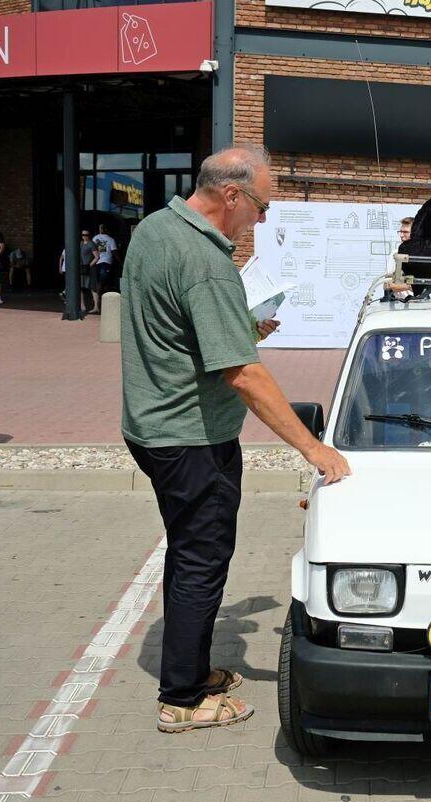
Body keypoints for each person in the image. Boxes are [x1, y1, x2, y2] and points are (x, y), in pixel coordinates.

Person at [121, 145, 349, 733]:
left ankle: (190, 667)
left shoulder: (155, 228)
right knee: (201, 561)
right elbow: (243, 374)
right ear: (231, 195)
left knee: (186, 553)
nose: (262, 218)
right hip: (191, 436)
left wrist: (239, 325)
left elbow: (176, 324)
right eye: (261, 206)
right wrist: (313, 447)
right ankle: (183, 698)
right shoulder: (206, 261)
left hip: (151, 425)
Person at [384, 216, 415, 301]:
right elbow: (387, 285)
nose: (401, 235)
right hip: (400, 305)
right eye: (400, 232)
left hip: (423, 304)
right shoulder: (395, 254)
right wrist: (409, 287)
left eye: (405, 232)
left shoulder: (426, 254)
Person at [93, 224, 118, 305]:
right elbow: (114, 252)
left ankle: (99, 299)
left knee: (99, 281)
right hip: (106, 262)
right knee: (103, 282)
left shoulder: (95, 238)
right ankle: (100, 298)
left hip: (97, 262)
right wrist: (120, 262)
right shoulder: (111, 239)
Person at [79, 230, 99, 315]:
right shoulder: (81, 244)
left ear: (89, 235)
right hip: (82, 268)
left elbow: (97, 257)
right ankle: (82, 306)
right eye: (83, 234)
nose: (84, 236)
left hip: (90, 269)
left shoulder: (91, 244)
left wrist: (89, 266)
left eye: (86, 235)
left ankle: (96, 307)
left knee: (92, 287)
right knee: (80, 287)